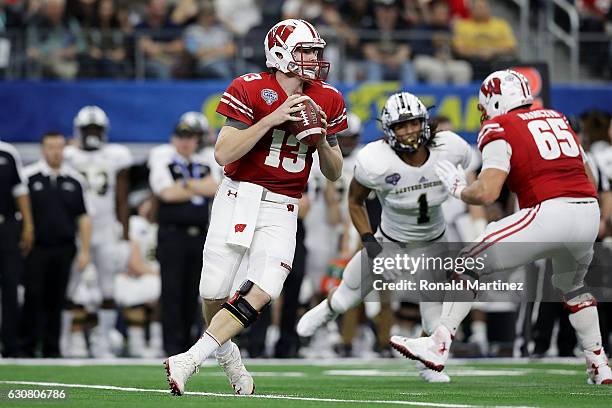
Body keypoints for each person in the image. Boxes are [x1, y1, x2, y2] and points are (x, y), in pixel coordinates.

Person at [389, 69, 612, 385]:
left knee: (467, 261)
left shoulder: (500, 125)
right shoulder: (557, 118)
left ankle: (438, 343)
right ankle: (599, 364)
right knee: (573, 288)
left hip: (550, 212)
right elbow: (587, 177)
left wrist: (460, 189)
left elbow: (487, 192)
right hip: (587, 213)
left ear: (494, 100)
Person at [164, 18, 347, 396]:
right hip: (240, 195)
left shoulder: (328, 97)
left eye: (316, 50)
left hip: (284, 205)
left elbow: (333, 172)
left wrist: (323, 140)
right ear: (280, 54)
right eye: (305, 51)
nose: (314, 58)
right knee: (213, 291)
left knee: (265, 288)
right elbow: (223, 152)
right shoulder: (250, 88)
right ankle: (230, 360)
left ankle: (190, 359)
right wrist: (273, 119)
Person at [297, 92, 472, 382]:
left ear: (425, 123)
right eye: (401, 126)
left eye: (413, 123)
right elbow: (355, 202)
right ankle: (328, 311)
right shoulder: (375, 159)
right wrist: (371, 244)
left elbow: (476, 177)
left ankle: (426, 364)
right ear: (389, 131)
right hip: (391, 240)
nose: (408, 131)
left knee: (435, 319)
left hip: (434, 244)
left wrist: (464, 189)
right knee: (346, 297)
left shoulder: (451, 147)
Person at [63, 105, 133, 358]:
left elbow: (122, 200)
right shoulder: (68, 155)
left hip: (104, 230)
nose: (92, 134)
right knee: (70, 288)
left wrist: (125, 236)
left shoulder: (116, 155)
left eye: (96, 129)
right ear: (78, 131)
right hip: (77, 231)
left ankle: (102, 341)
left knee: (108, 289)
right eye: (88, 130)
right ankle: (68, 340)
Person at [149, 113, 218, 356]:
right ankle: (171, 346)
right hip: (172, 234)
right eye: (181, 136)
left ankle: (191, 345)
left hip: (200, 235)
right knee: (171, 290)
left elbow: (215, 188)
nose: (185, 142)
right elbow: (166, 193)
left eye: (190, 137)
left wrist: (185, 184)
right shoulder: (163, 159)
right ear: (174, 138)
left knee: (195, 291)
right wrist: (197, 186)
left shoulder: (205, 161)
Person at [21, 131, 92, 358]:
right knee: (33, 295)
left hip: (64, 247)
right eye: (51, 147)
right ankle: (27, 346)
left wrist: (85, 251)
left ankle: (53, 348)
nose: (55, 152)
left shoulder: (75, 180)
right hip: (35, 248)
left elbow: (83, 217)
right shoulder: (28, 177)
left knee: (57, 297)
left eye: (59, 147)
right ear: (43, 149)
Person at [0, 139, 34, 357]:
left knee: (11, 285)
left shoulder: (8, 152)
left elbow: (20, 190)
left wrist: (28, 225)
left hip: (7, 227)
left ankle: (11, 344)